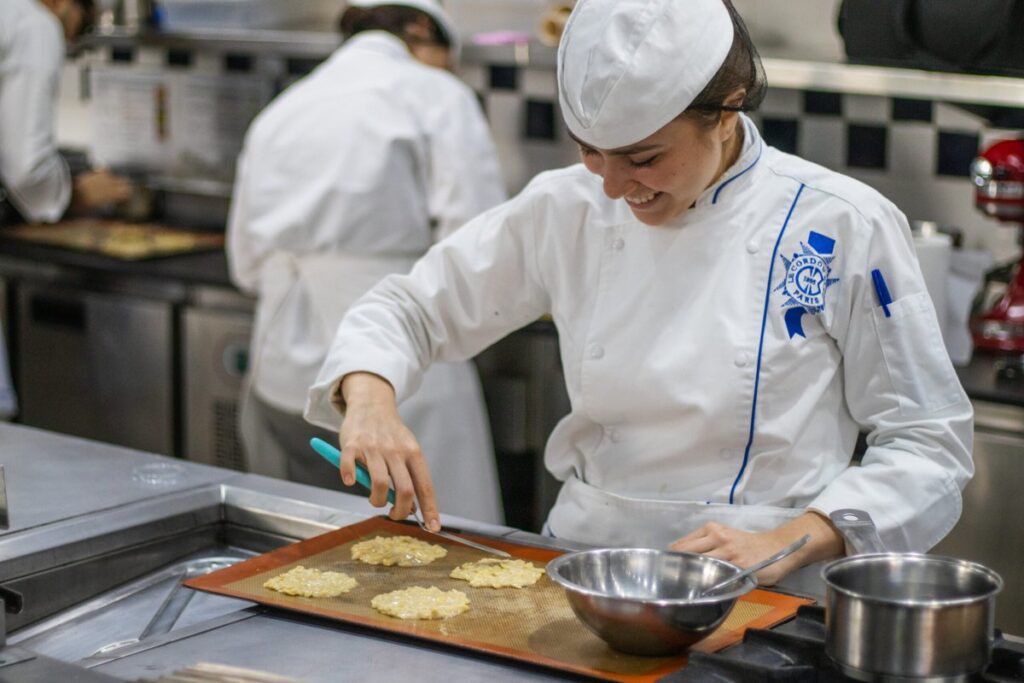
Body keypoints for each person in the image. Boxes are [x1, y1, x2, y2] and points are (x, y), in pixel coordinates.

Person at [304, 0, 973, 592]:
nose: (613, 187)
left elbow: (927, 443)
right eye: (591, 152)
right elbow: (410, 309)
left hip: (764, 588)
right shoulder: (565, 208)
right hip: (582, 567)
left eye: (644, 157)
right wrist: (370, 399)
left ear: (728, 107)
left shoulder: (840, 223)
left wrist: (796, 536)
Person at [228, 0, 507, 524]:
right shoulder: (438, 95)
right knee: (434, 537)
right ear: (421, 27)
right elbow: (480, 248)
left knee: (303, 535)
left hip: (280, 365)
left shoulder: (283, 109)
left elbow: (244, 265)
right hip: (401, 367)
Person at [0, 0, 132, 226]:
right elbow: (27, 169)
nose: (72, 41)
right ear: (62, 2)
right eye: (84, 24)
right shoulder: (36, 26)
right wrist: (77, 195)